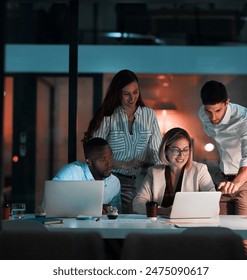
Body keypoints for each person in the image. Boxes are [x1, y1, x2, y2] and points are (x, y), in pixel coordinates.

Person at [198, 80, 247, 259]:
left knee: (244, 240)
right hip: (224, 178)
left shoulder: (246, 119)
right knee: (221, 234)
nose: (212, 117)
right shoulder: (203, 114)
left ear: (227, 102)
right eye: (208, 111)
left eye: (218, 111)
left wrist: (236, 182)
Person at [83, 69, 162, 214]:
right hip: (109, 180)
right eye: (126, 94)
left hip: (138, 182)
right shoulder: (108, 116)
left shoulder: (149, 115)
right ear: (117, 94)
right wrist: (125, 164)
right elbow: (95, 155)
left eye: (135, 92)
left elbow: (157, 152)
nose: (132, 98)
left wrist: (165, 177)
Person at [133, 127, 215, 216]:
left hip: (189, 224)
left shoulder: (200, 170)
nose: (181, 155)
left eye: (185, 150)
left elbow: (214, 206)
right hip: (159, 226)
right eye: (176, 150)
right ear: (165, 151)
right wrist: (162, 211)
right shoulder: (154, 172)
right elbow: (137, 204)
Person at [53, 137, 122, 212]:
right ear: (89, 162)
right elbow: (50, 205)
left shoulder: (114, 183)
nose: (109, 163)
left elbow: (116, 216)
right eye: (103, 159)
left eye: (110, 157)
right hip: (69, 223)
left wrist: (108, 210)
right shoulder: (71, 173)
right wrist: (92, 209)